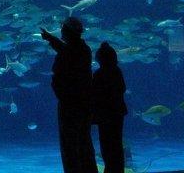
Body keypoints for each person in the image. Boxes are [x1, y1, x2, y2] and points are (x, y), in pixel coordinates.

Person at [41, 17, 98, 173]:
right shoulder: (84, 49)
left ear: (67, 32)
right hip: (85, 104)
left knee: (70, 147)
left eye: (62, 28)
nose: (60, 31)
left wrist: (60, 93)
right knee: (85, 143)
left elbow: (64, 55)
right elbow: (67, 50)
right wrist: (50, 38)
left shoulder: (70, 52)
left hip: (69, 105)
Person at [92, 42, 128, 173]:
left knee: (106, 144)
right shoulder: (117, 71)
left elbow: (94, 93)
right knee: (116, 143)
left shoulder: (98, 74)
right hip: (118, 112)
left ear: (99, 59)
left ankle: (111, 169)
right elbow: (122, 88)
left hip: (105, 114)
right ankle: (116, 169)